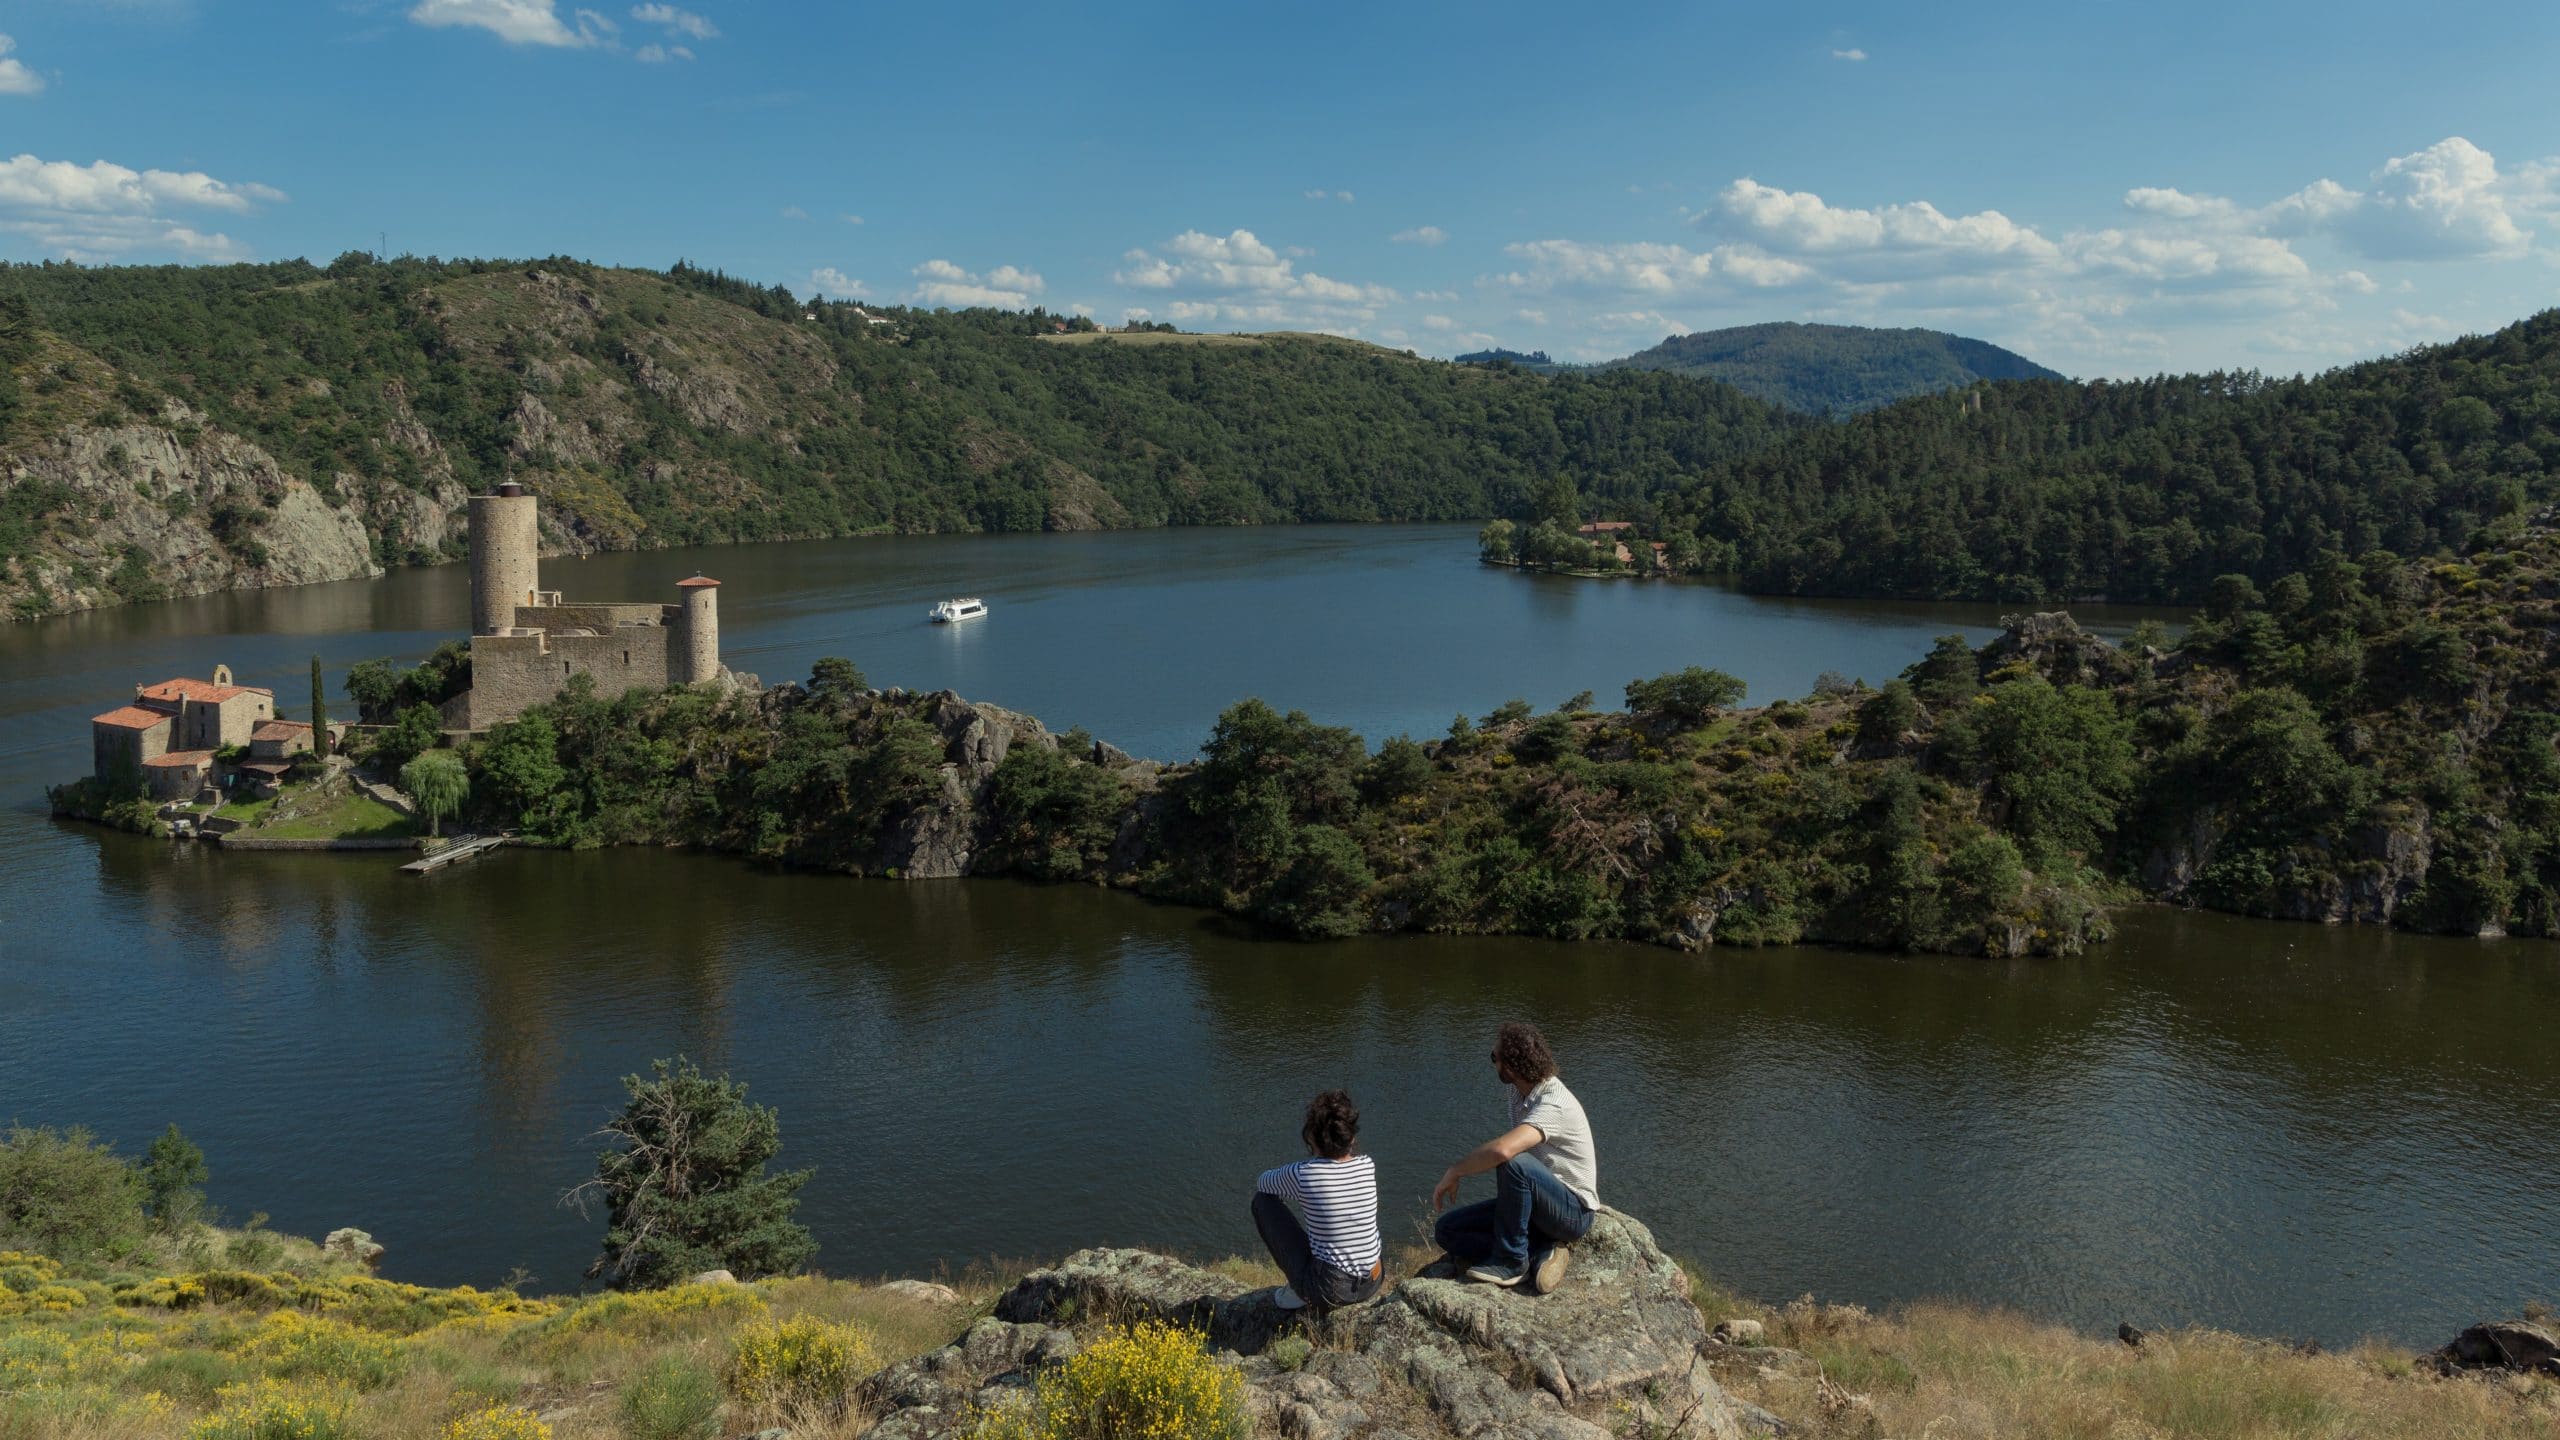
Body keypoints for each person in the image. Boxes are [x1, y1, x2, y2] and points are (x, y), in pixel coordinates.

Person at [1431, 1021, 1598, 1293]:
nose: (1492, 1062)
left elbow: (1502, 1150)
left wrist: (1456, 1170)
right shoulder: (1518, 1092)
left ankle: (1511, 1262)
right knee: (1447, 1230)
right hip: (1537, 1204)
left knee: (1513, 1162)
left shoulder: (1554, 1103)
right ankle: (1540, 1253)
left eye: (1494, 1057)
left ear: (1511, 1067)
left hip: (1572, 1212)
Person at [1252, 1089, 1383, 1312]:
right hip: (1374, 1279)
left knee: (1262, 1201)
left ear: (1312, 1137)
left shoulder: (1305, 1173)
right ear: (1351, 1136)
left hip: (1332, 1289)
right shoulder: (1367, 1164)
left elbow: (1263, 1182)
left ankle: (1299, 1290)